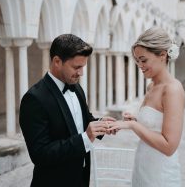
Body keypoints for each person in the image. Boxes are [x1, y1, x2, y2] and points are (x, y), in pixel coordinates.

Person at [19, 34, 115, 187]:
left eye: (83, 67)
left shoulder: (77, 88)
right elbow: (40, 155)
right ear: (57, 61)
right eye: (77, 67)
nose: (81, 73)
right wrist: (85, 138)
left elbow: (83, 120)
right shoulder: (34, 99)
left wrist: (102, 124)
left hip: (81, 179)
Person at [108, 27, 185, 187]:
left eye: (143, 60)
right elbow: (154, 128)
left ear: (163, 55)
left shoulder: (173, 89)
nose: (139, 65)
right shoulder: (151, 86)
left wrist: (133, 125)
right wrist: (135, 121)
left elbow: (169, 146)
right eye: (137, 60)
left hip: (161, 175)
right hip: (143, 166)